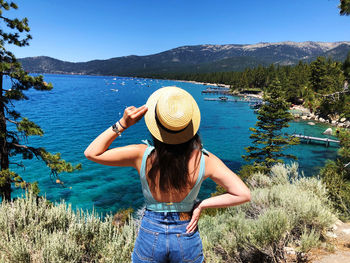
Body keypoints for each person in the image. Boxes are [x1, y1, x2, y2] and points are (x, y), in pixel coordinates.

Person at [84, 86, 251, 263]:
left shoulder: (141, 155)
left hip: (150, 234)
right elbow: (243, 194)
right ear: (189, 126)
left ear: (156, 126)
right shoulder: (205, 160)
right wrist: (201, 204)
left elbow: (92, 153)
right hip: (187, 231)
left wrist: (123, 124)